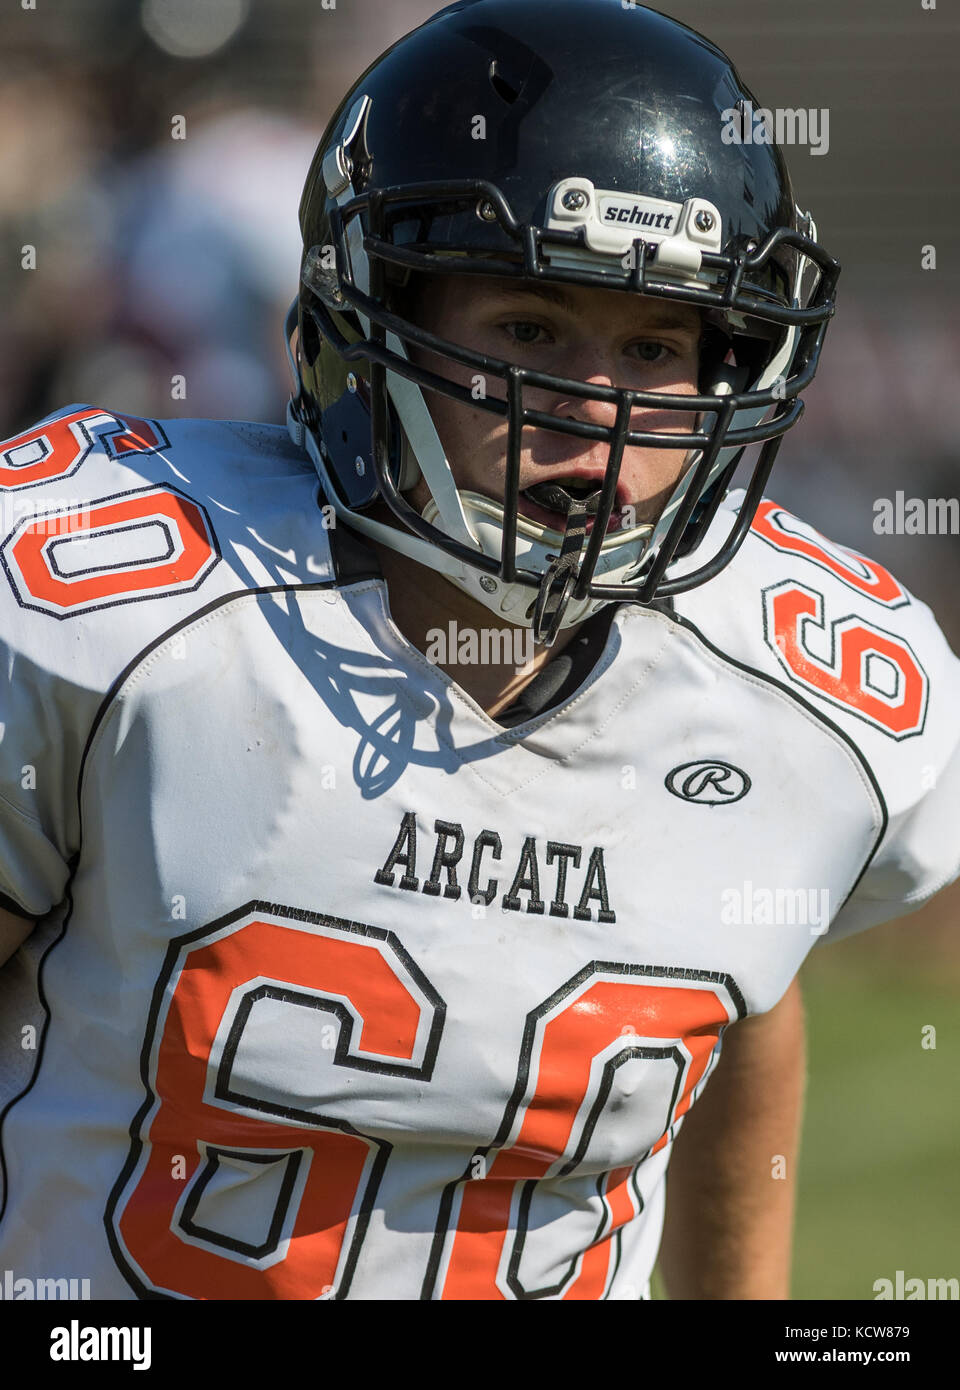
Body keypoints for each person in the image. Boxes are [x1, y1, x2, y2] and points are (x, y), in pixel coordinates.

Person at [0, 0, 957, 1302]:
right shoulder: (125, 621)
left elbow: (742, 975)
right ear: (373, 310)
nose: (598, 411)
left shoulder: (799, 697)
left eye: (657, 346)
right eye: (527, 328)